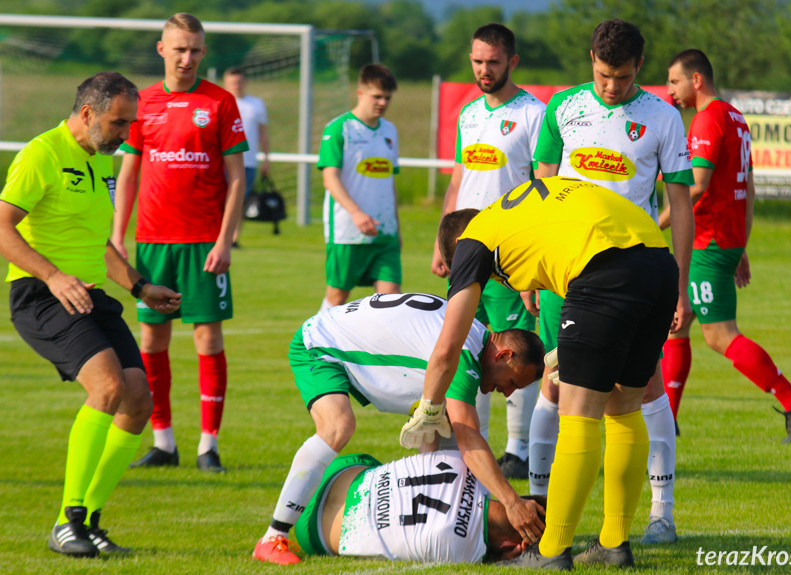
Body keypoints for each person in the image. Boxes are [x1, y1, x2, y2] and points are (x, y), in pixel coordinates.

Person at [402, 177, 680, 569]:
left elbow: (447, 348)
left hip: (603, 266)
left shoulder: (472, 242)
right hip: (658, 261)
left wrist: (430, 406)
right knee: (624, 407)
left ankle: (550, 552)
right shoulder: (517, 215)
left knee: (578, 414)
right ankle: (614, 544)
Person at [527, 19, 695, 546]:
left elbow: (681, 206)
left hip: (635, 274)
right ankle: (540, 514)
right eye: (603, 75)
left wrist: (682, 286)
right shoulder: (562, 108)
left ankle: (660, 514)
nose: (611, 87)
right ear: (591, 63)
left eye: (621, 77)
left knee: (643, 389)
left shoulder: (663, 118)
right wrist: (532, 263)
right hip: (565, 272)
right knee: (555, 383)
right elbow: (542, 189)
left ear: (638, 68)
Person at [0, 72, 181, 557]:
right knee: (108, 387)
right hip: (40, 294)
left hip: (90, 295)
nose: (126, 133)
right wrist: (55, 277)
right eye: (119, 122)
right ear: (87, 113)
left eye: (130, 123)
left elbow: (97, 244)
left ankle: (88, 521)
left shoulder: (101, 163)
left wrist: (141, 286)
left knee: (139, 400)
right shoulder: (42, 153)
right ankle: (69, 520)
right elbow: (3, 228)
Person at [253, 292, 546, 565]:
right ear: (503, 355)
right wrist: (511, 503)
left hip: (334, 332)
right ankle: (273, 537)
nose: (507, 393)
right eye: (513, 382)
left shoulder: (469, 333)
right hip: (316, 345)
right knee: (338, 425)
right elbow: (469, 439)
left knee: (442, 435)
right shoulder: (464, 356)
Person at [661, 49, 791, 443]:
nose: (670, 91)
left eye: (674, 82)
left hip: (707, 241)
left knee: (719, 335)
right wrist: (741, 245)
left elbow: (696, 185)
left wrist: (652, 225)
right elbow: (747, 187)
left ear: (696, 79)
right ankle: (666, 422)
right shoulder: (736, 117)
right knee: (674, 329)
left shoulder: (707, 118)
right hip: (725, 239)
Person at [112, 13, 249, 473]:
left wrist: (226, 239)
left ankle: (208, 446)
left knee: (208, 340)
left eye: (195, 50)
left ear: (203, 52)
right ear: (161, 49)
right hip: (153, 242)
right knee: (152, 339)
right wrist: (118, 235)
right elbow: (128, 174)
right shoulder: (141, 102)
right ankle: (164, 442)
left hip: (204, 243)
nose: (187, 57)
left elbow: (236, 179)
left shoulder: (220, 102)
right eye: (179, 49)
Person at [430, 23, 547, 480]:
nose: (483, 70)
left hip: (509, 256)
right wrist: (442, 242)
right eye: (477, 62)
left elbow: (541, 187)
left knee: (511, 349)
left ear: (512, 62)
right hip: (465, 251)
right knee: (465, 348)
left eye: (493, 62)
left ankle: (517, 450)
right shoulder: (469, 114)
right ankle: (469, 441)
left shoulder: (534, 114)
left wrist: (534, 261)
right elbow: (459, 180)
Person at [265, 450, 546, 565]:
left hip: (337, 471)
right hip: (314, 533)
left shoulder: (468, 462)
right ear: (518, 546)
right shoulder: (465, 551)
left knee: (383, 471)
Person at [317, 63, 401, 313]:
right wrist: (356, 212)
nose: (383, 102)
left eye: (387, 97)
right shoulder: (339, 129)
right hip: (347, 232)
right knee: (337, 296)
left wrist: (396, 226)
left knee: (392, 301)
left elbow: (390, 183)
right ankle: (314, 346)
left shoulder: (390, 131)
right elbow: (330, 178)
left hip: (385, 233)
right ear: (360, 93)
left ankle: (379, 352)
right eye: (377, 96)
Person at [223, 66, 269, 247]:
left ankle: (233, 237)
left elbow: (263, 133)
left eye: (240, 82)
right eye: (233, 82)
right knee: (218, 199)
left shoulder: (256, 104)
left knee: (240, 201)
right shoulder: (220, 101)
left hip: (248, 161)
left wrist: (266, 158)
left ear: (246, 82)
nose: (237, 85)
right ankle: (216, 235)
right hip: (222, 161)